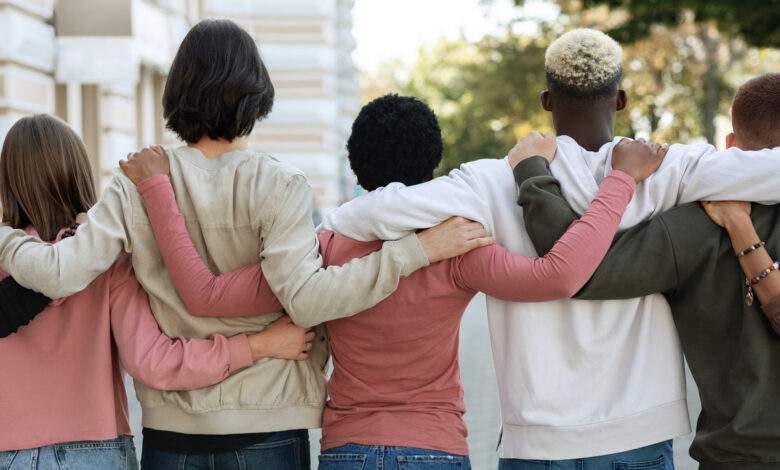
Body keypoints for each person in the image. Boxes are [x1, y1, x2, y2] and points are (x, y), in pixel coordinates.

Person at [0, 20, 470, 470]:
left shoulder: (133, 183)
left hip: (172, 424)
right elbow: (308, 300)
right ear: (257, 94)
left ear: (176, 93)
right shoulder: (280, 184)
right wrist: (415, 252)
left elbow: (59, 274)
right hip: (269, 417)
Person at [117, 94, 665, 470]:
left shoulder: (324, 249)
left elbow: (205, 294)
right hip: (436, 450)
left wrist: (159, 189)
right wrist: (619, 180)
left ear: (356, 169)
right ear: (432, 169)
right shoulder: (457, 245)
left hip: (348, 451)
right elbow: (562, 274)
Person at [318, 29, 780, 468]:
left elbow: (377, 209)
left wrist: (329, 226)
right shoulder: (670, 167)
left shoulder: (493, 178)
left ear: (546, 102)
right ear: (620, 99)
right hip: (639, 429)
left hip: (537, 436)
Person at [0, 114, 316, 470]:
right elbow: (152, 361)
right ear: (79, 173)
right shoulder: (109, 264)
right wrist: (255, 346)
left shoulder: (11, 252)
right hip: (96, 451)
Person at [513, 72, 780, 470]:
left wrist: (534, 173)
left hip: (741, 456)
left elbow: (580, 270)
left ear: (730, 146)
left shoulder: (695, 226)